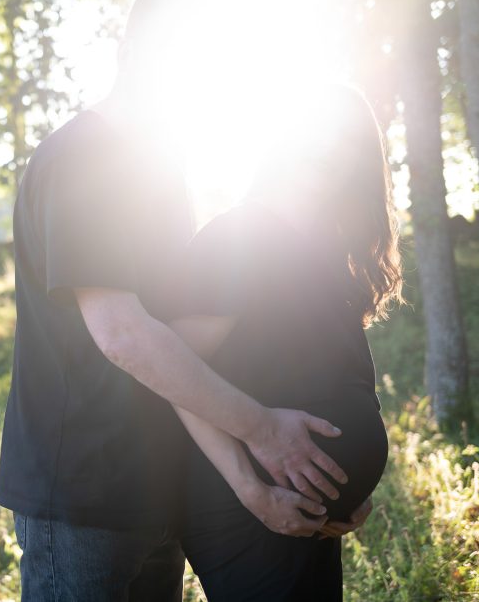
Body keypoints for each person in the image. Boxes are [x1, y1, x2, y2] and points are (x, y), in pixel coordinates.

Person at [0, 0, 366, 600]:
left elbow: (193, 337)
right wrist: (261, 430)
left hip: (157, 488)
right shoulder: (84, 157)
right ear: (134, 54)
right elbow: (123, 334)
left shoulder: (159, 172)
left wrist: (284, 478)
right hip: (84, 494)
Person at [171, 85, 402, 600]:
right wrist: (252, 490)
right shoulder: (240, 237)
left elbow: (339, 375)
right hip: (246, 510)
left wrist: (349, 491)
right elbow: (177, 377)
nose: (330, 153)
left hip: (309, 511)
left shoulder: (325, 249)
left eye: (347, 144)